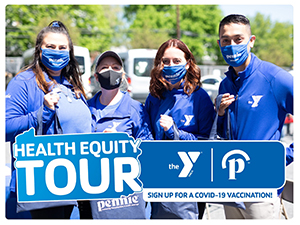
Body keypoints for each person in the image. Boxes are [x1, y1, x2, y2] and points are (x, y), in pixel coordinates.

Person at [5, 21, 91, 219]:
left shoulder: (72, 84)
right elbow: (6, 127)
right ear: (39, 50)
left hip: (77, 183)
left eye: (62, 48)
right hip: (43, 185)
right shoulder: (24, 82)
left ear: (70, 53)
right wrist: (39, 115)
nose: (57, 52)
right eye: (50, 47)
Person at [216, 14, 293, 219]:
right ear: (219, 43)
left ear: (251, 41)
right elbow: (225, 133)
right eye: (226, 40)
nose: (231, 45)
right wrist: (221, 114)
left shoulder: (274, 78)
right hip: (231, 185)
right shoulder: (225, 84)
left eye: (238, 39)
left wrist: (284, 156)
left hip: (261, 188)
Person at [144, 39, 215, 219]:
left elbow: (207, 144)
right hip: (159, 178)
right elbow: (146, 137)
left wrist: (175, 132)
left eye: (176, 61)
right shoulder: (154, 98)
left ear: (188, 63)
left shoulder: (200, 98)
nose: (170, 65)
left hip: (189, 181)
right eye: (165, 61)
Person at [87, 50, 153, 219]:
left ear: (123, 75)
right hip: (92, 192)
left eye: (115, 67)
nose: (110, 71)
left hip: (125, 196)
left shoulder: (136, 109)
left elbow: (148, 148)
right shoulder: (85, 109)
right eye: (104, 68)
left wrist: (122, 143)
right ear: (96, 76)